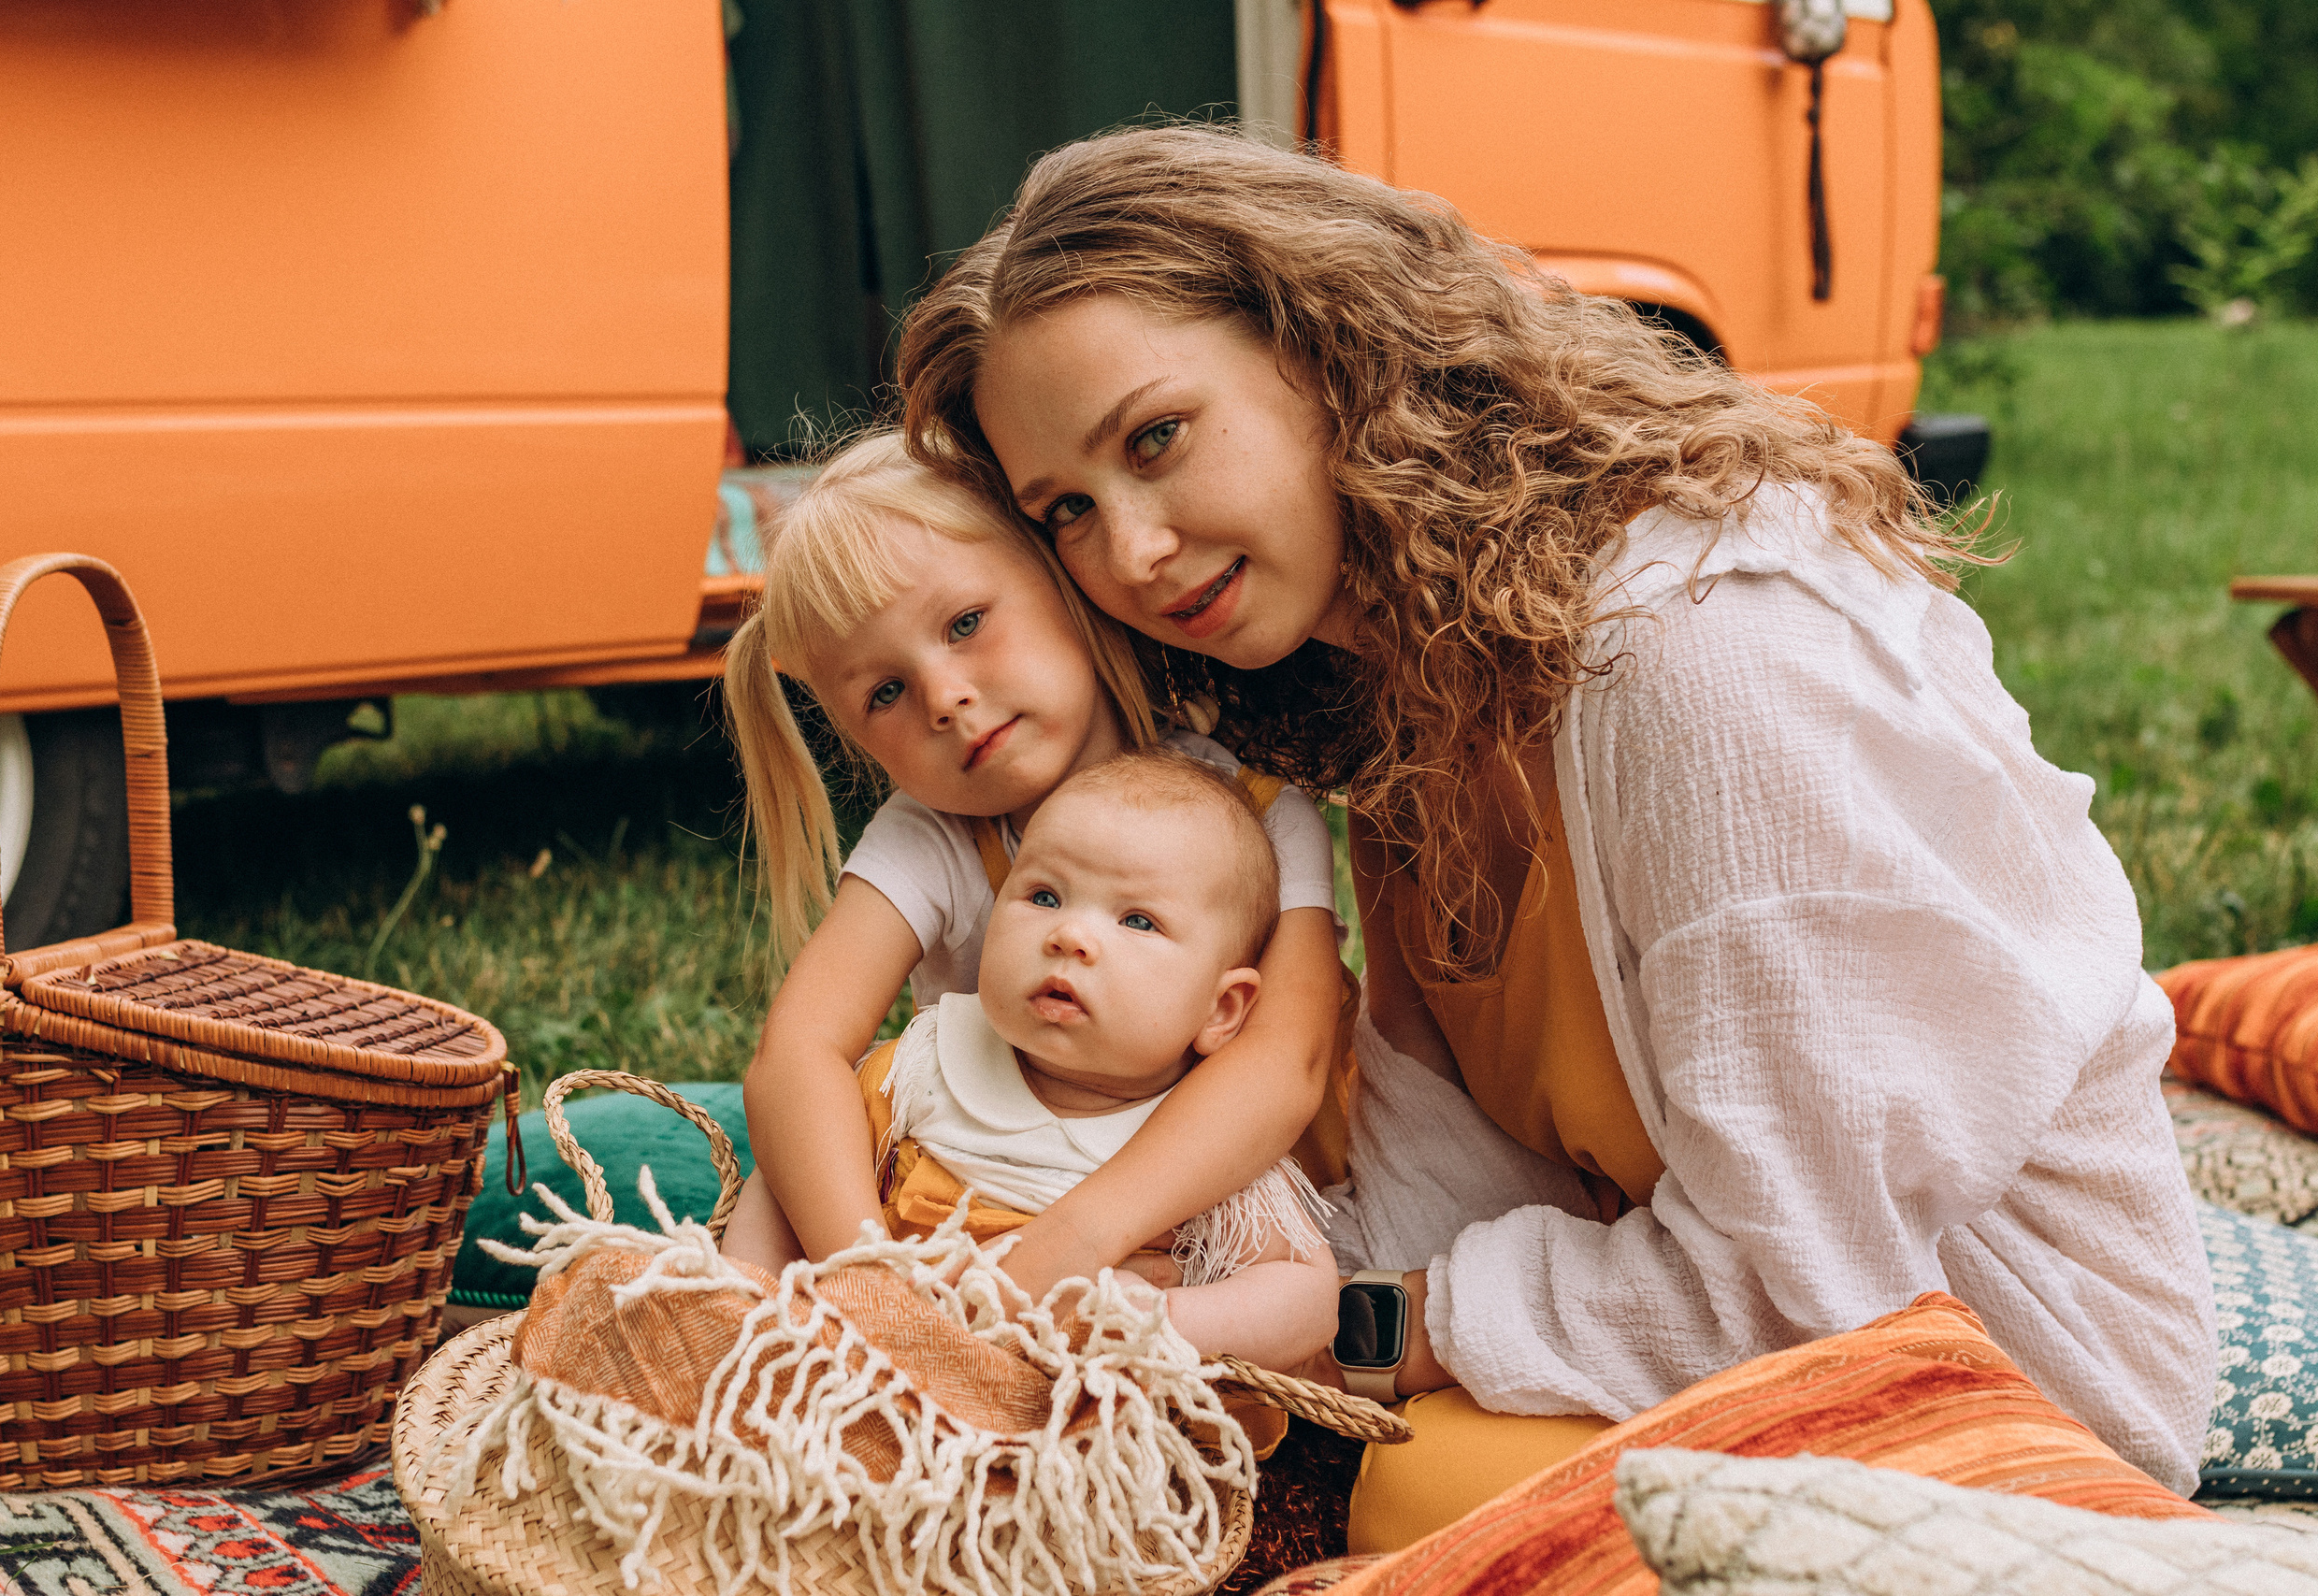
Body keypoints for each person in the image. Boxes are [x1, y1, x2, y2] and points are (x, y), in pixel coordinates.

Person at [894, 123, 2216, 1546]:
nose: (1132, 551)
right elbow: (1449, 1166)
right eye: (1070, 511)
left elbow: (1812, 1270)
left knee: (1410, 1489)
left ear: (1329, 349)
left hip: (1993, 1381)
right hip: (1691, 1320)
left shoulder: (1704, 648)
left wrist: (1364, 1329)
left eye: (1156, 439)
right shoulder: (1403, 687)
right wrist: (1166, 1283)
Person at [717, 431, 1350, 1326]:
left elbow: (1289, 1062)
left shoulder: (1256, 817)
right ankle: (738, 1345)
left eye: (966, 624)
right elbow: (796, 1057)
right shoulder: (935, 835)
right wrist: (877, 1281)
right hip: (963, 1198)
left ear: (1063, 581)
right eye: (884, 694)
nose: (943, 696)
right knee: (773, 1155)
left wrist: (1076, 1241)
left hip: (1170, 1228)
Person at [725, 747, 1341, 1377]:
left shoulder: (1213, 1142)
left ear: (1221, 1009)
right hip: (882, 1376)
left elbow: (1308, 1300)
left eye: (1137, 919)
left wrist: (1159, 1316)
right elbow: (783, 1174)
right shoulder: (926, 1066)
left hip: (1091, 1422)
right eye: (1045, 895)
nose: (1069, 935)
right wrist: (759, 1305)